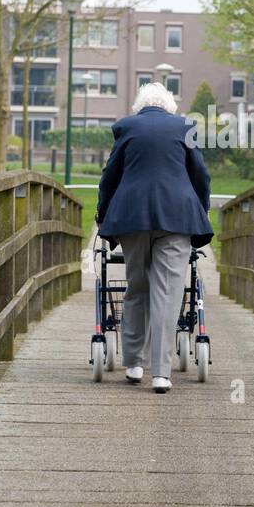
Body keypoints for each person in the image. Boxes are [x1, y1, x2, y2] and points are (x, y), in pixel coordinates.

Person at [96, 81, 212, 393]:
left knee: (136, 287)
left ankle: (134, 364)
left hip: (132, 217)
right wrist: (202, 209)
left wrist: (103, 213)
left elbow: (110, 176)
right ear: (169, 105)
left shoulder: (126, 127)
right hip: (177, 218)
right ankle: (161, 373)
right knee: (168, 293)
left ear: (140, 105)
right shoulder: (185, 126)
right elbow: (200, 174)